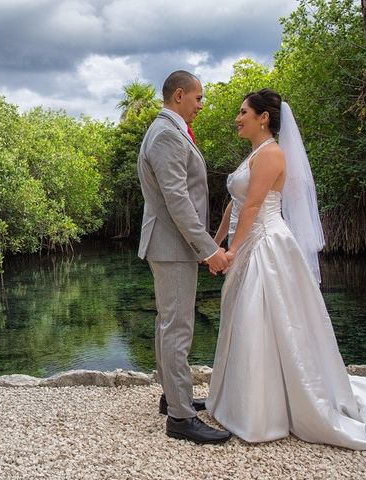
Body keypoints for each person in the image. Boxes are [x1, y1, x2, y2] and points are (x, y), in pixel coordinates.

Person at [207, 88, 366, 450]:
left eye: (243, 112)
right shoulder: (251, 156)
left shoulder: (272, 155)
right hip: (248, 240)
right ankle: (234, 399)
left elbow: (251, 209)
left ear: (264, 117)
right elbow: (232, 207)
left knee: (263, 318)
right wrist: (214, 244)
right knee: (245, 316)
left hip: (266, 244)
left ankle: (266, 409)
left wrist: (232, 251)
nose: (237, 118)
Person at [137, 70, 231, 444]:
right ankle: (180, 418)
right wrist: (209, 250)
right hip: (173, 247)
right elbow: (178, 201)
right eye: (198, 98)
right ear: (179, 95)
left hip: (169, 245)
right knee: (177, 329)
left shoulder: (165, 131)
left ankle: (171, 398)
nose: (201, 105)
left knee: (167, 324)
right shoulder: (165, 135)